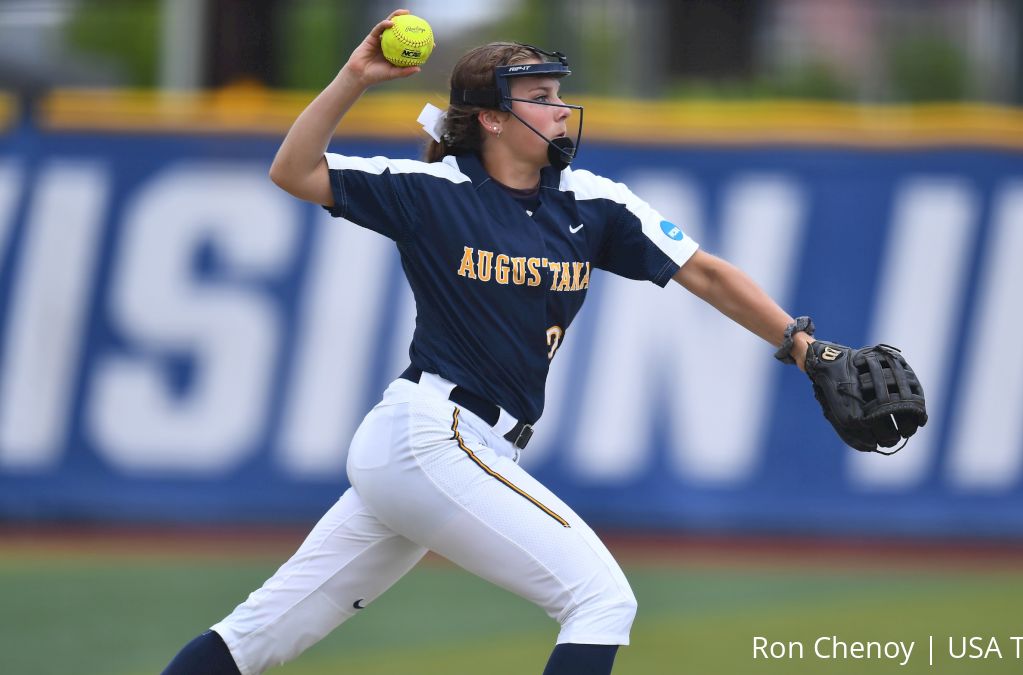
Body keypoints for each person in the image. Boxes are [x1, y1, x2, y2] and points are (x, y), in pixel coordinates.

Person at [162, 9, 814, 675]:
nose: (561, 110)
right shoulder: (435, 191)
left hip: (451, 448)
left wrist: (801, 344)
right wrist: (354, 78)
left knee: (256, 637)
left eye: (558, 94)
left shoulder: (591, 204)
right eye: (540, 97)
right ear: (492, 119)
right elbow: (293, 170)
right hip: (433, 434)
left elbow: (704, 271)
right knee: (600, 598)